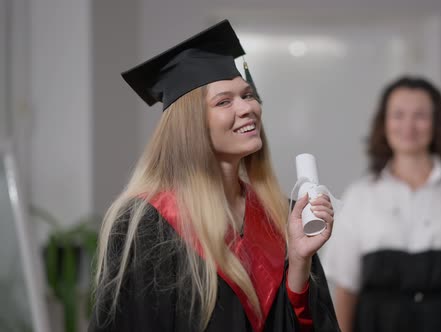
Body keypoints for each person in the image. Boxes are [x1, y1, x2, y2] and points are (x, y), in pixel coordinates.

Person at [89, 20, 339, 332]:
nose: (248, 107)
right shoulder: (148, 224)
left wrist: (300, 261)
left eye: (247, 95)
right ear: (191, 125)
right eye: (224, 101)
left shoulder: (282, 215)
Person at [322, 76, 441, 332]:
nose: (408, 125)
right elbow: (345, 288)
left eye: (420, 115)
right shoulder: (359, 195)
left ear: (437, 124)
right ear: (384, 123)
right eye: (398, 114)